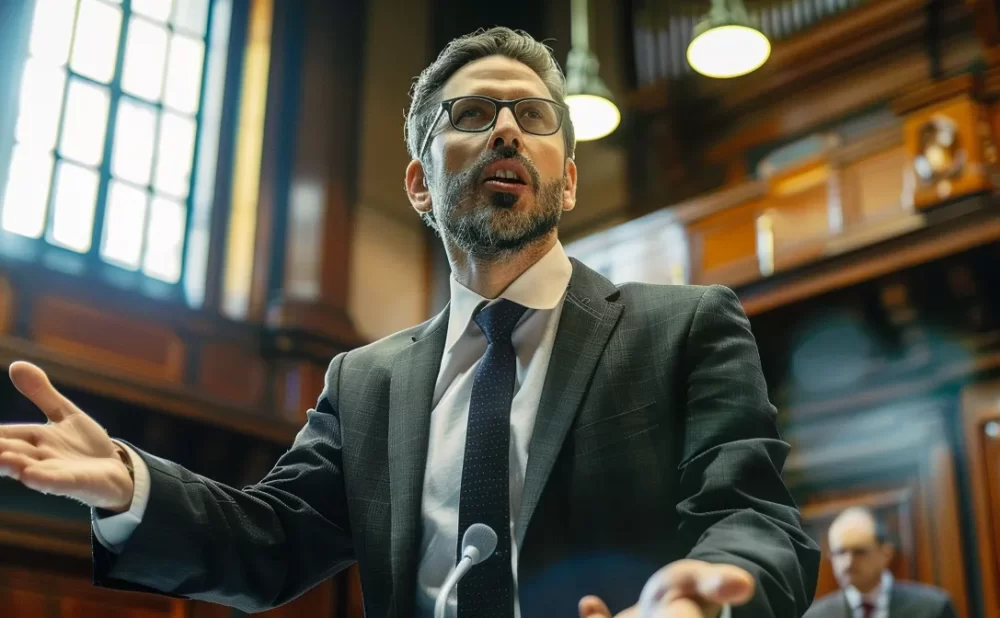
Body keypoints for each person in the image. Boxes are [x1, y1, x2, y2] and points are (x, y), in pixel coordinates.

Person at [0, 27, 819, 618]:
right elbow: (271, 541)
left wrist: (703, 598)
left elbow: (753, 519)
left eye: (535, 118)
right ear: (420, 185)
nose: (506, 128)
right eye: (471, 115)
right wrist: (129, 484)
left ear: (568, 182)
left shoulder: (682, 327)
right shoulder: (366, 381)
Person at [804, 508, 956, 618]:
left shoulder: (932, 609)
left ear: (886, 553)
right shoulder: (814, 616)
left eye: (859, 551)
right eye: (840, 552)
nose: (848, 562)